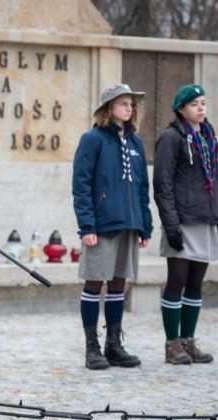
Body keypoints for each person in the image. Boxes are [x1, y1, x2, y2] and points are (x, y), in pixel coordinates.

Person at [72, 84, 153, 370]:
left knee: (119, 283)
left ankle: (114, 345)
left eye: (132, 103)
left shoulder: (135, 143)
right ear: (109, 108)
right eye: (123, 103)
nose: (129, 108)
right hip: (101, 225)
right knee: (94, 283)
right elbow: (81, 186)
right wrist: (86, 225)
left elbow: (142, 187)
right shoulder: (92, 139)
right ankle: (91, 347)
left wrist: (145, 224)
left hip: (129, 225)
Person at [153, 84, 215, 365]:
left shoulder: (209, 137)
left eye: (202, 103)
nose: (200, 108)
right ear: (180, 109)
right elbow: (162, 185)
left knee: (195, 283)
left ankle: (188, 341)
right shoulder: (171, 137)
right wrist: (171, 225)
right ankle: (172, 344)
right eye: (194, 104)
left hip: (204, 218)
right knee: (176, 281)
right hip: (181, 220)